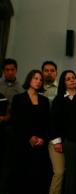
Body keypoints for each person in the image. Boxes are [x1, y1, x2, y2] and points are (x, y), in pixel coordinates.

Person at [10, 70, 52, 194]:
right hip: (22, 144)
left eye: (40, 79)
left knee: (37, 180)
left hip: (40, 145)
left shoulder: (44, 101)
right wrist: (28, 137)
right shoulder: (18, 98)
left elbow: (47, 123)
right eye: (35, 78)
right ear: (29, 80)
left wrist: (42, 139)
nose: (38, 81)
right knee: (20, 178)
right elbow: (16, 122)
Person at [50, 70, 76, 194]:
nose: (72, 80)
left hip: (75, 144)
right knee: (60, 172)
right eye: (68, 79)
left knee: (72, 175)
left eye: (73, 77)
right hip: (58, 142)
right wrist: (57, 142)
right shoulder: (59, 99)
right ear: (63, 82)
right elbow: (53, 122)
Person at [0, 58, 23, 193]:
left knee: (6, 162)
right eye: (7, 70)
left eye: (12, 70)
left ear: (16, 71)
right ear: (3, 71)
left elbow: (19, 111)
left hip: (10, 129)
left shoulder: (20, 90)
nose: (9, 72)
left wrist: (7, 117)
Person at [41, 60, 64, 194]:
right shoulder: (36, 87)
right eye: (46, 70)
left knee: (56, 171)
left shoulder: (59, 91)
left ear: (56, 73)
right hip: (37, 134)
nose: (49, 73)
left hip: (52, 135)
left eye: (52, 71)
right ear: (42, 72)